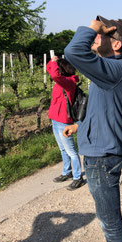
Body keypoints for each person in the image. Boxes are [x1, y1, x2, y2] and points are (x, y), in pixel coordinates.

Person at [63, 16, 122, 242]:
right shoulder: (109, 70)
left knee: (109, 218)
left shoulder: (116, 69)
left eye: (103, 34)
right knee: (106, 216)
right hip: (98, 151)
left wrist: (93, 27)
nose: (96, 37)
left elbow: (73, 52)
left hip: (103, 156)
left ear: (115, 43)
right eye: (97, 33)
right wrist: (78, 125)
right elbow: (101, 110)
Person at [46, 56, 84, 190]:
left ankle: (78, 177)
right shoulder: (62, 81)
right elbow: (50, 70)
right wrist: (53, 61)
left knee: (71, 151)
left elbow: (55, 75)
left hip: (63, 121)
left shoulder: (68, 82)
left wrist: (55, 62)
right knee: (62, 149)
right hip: (55, 120)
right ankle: (67, 172)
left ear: (62, 71)